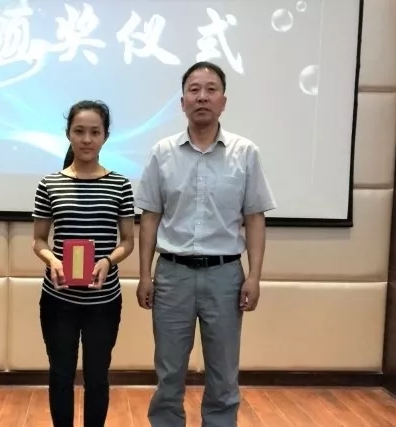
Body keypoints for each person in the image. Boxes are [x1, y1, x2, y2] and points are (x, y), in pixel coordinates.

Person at [134, 61, 277, 427]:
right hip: (172, 275)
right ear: (182, 101)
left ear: (223, 101)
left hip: (225, 276)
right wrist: (145, 275)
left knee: (223, 373)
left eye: (211, 89)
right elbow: (150, 217)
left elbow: (255, 218)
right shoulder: (162, 152)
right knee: (169, 372)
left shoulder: (245, 153)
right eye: (194, 89)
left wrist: (254, 276)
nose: (202, 97)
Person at [31, 100, 135, 427]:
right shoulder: (50, 184)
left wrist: (107, 260)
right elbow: (38, 240)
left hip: (103, 302)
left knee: (97, 377)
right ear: (68, 134)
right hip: (58, 299)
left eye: (94, 132)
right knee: (60, 375)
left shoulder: (120, 185)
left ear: (105, 137)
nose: (87, 139)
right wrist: (53, 260)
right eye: (79, 131)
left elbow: (128, 241)